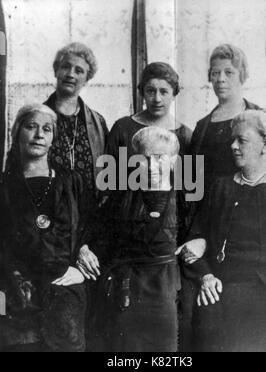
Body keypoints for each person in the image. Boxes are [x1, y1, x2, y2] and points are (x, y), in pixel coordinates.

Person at [77, 62, 199, 351]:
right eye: (150, 90)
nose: (157, 97)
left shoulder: (186, 135)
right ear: (141, 92)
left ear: (174, 94)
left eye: (164, 91)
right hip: (128, 241)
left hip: (165, 255)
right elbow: (108, 192)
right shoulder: (123, 128)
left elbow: (190, 199)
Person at [186, 110, 266, 352]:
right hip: (222, 287)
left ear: (265, 144)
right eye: (232, 140)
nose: (233, 146)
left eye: (242, 140)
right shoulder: (222, 187)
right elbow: (197, 235)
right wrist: (205, 276)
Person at [91, 127, 194, 351]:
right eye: (144, 159)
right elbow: (101, 238)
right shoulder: (120, 197)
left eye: (160, 158)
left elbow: (198, 234)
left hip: (168, 287)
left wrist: (199, 242)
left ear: (174, 161)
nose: (152, 166)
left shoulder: (185, 196)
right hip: (128, 285)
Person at [0, 104, 91, 352]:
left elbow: (92, 227)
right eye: (31, 127)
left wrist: (80, 269)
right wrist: (12, 279)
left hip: (64, 288)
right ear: (17, 132)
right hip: (15, 291)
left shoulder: (72, 181)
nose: (39, 134)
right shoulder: (5, 184)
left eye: (47, 129)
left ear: (53, 139)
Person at [190, 44, 266, 198]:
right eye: (215, 73)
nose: (221, 79)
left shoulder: (261, 118)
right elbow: (190, 179)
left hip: (253, 211)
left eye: (229, 72)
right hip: (210, 213)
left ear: (242, 75)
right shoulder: (202, 127)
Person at [44, 42, 108, 201]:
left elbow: (108, 171)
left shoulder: (98, 123)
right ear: (56, 70)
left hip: (90, 215)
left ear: (87, 79)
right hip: (48, 209)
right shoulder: (35, 117)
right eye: (66, 67)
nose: (71, 74)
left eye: (79, 71)